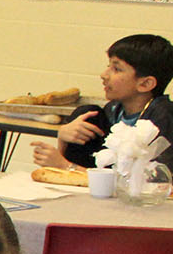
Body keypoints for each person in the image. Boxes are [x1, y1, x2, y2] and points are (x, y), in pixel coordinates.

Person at [33, 33, 173, 170]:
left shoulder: (163, 117)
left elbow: (148, 185)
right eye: (108, 66)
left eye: (117, 69)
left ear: (145, 84)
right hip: (95, 190)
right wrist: (63, 138)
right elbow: (67, 170)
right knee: (86, 114)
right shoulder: (112, 110)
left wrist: (66, 166)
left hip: (137, 192)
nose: (104, 75)